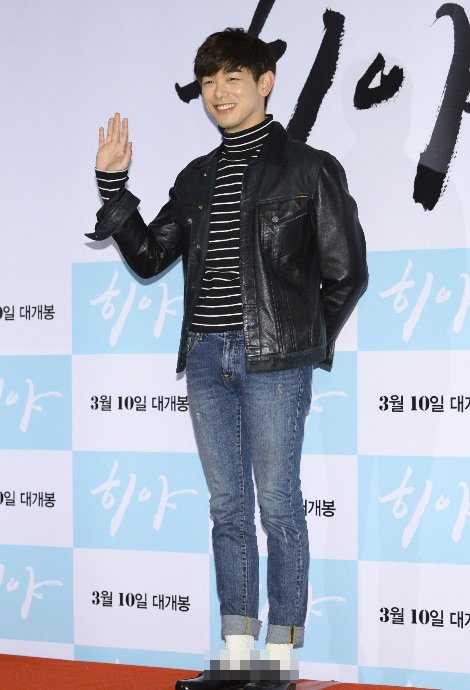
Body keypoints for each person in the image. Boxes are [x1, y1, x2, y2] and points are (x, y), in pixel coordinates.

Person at [88, 28, 368, 690]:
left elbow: (346, 273)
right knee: (227, 507)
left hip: (275, 359)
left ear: (265, 82)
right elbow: (151, 257)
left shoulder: (310, 169)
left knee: (278, 503)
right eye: (209, 81)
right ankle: (237, 647)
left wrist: (301, 342)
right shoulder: (196, 177)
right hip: (206, 356)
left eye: (233, 78)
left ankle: (281, 651)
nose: (219, 92)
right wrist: (113, 188)